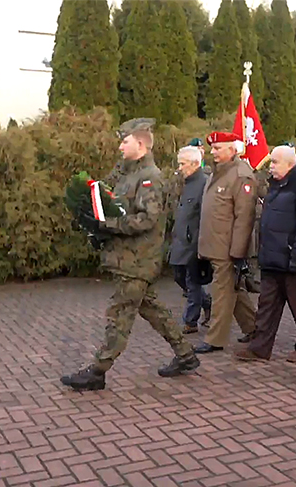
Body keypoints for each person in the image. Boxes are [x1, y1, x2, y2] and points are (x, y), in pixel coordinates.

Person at [61, 119, 200, 390]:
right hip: (128, 259)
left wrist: (107, 225)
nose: (120, 146)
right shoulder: (127, 174)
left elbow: (147, 219)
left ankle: (98, 371)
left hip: (137, 261)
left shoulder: (150, 178)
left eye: (125, 142)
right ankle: (186, 355)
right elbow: (110, 201)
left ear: (140, 144)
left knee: (119, 315)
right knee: (153, 310)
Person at [235, 146, 296, 363]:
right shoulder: (275, 186)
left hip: (291, 257)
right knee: (266, 305)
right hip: (272, 257)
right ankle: (260, 348)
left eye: (274, 162)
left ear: (289, 163)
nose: (270, 167)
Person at [193, 131, 257, 354]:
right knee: (234, 289)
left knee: (222, 292)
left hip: (228, 247)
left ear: (232, 149)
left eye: (218, 148)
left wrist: (238, 252)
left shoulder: (241, 175)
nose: (213, 152)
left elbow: (245, 217)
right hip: (215, 244)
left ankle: (216, 339)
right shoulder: (218, 173)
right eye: (213, 148)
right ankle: (254, 328)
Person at [169, 146, 211, 333]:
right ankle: (207, 302)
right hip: (180, 240)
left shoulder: (203, 183)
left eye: (182, 164)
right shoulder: (184, 183)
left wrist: (199, 242)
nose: (179, 168)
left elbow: (205, 215)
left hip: (193, 242)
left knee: (192, 281)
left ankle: (190, 321)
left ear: (195, 164)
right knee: (179, 275)